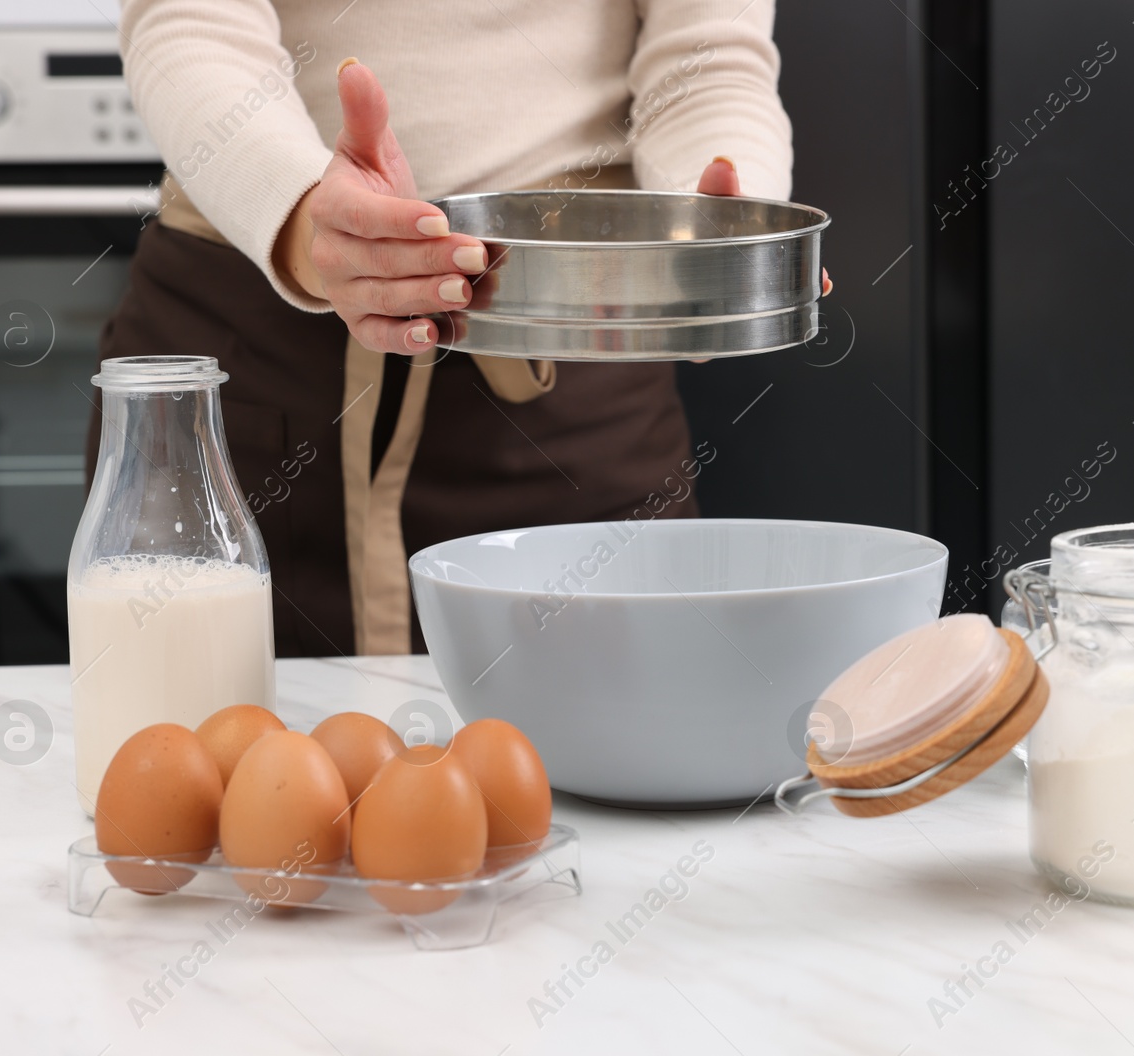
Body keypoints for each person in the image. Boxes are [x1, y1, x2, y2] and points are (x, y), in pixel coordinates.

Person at [96, 1, 823, 655]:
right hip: (249, 358)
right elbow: (187, 18)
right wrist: (304, 217)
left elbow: (708, 61)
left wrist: (721, 233)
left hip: (572, 375)